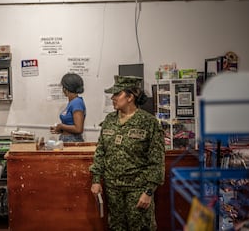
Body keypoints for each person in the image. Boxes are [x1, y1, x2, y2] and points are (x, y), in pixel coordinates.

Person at [89, 75, 165, 231]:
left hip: (137, 190)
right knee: (116, 227)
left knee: (140, 228)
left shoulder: (148, 122)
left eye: (117, 94)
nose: (112, 98)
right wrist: (96, 179)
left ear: (130, 97)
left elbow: (157, 161)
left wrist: (148, 192)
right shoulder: (110, 120)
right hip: (113, 189)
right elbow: (101, 151)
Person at [50, 73, 86, 142]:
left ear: (66, 88)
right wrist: (59, 129)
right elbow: (70, 125)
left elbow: (78, 129)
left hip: (72, 140)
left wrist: (61, 126)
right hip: (66, 138)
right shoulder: (72, 102)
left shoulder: (77, 102)